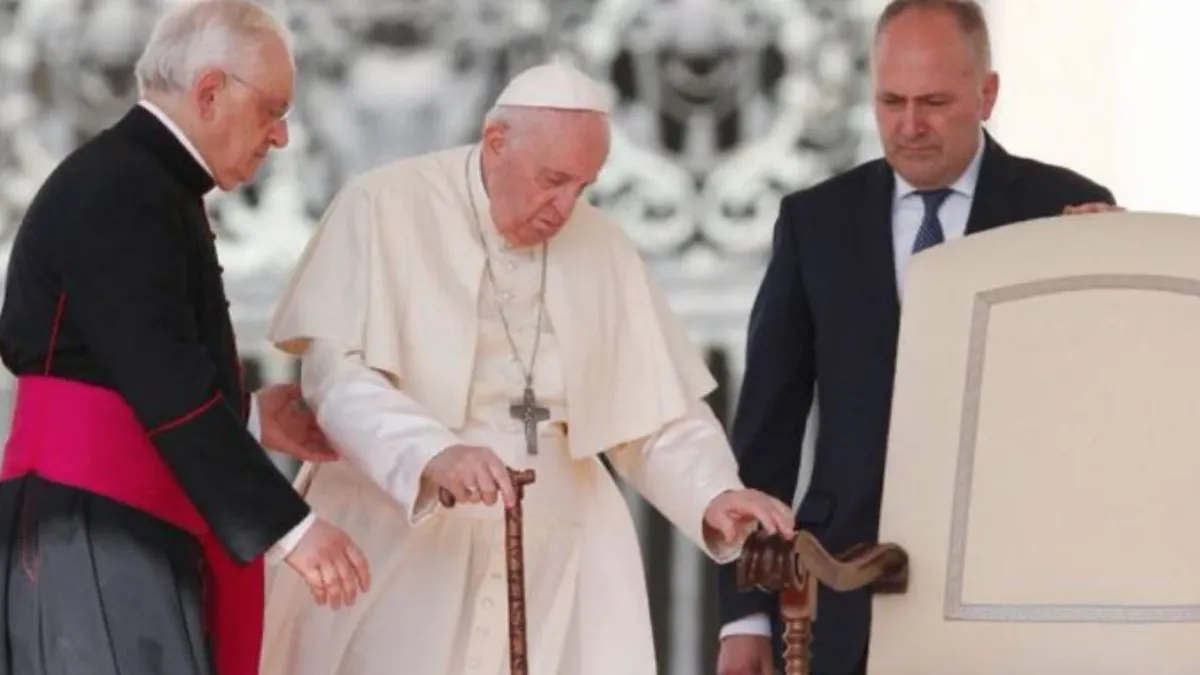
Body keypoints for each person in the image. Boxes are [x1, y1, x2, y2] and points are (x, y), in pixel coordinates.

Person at [257, 60, 796, 675]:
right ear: (496, 142)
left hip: (558, 550)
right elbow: (338, 379)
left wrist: (714, 491)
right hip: (402, 529)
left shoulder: (600, 243)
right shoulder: (382, 205)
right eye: (553, 180)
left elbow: (653, 413)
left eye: (583, 187)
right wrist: (432, 453)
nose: (565, 208)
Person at [715, 1, 1118, 674]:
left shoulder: (1063, 211)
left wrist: (1110, 282)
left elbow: (1104, 410)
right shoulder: (815, 222)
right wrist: (745, 615)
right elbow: (767, 431)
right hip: (844, 591)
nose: (909, 126)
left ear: (987, 95)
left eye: (933, 102)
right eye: (891, 101)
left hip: (1018, 592)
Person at [0, 2, 370, 675]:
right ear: (209, 92)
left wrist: (250, 417)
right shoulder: (122, 187)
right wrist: (292, 529)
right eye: (272, 110)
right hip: (94, 532)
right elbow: (162, 377)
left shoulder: (142, 180)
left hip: (113, 528)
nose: (282, 135)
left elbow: (126, 364)